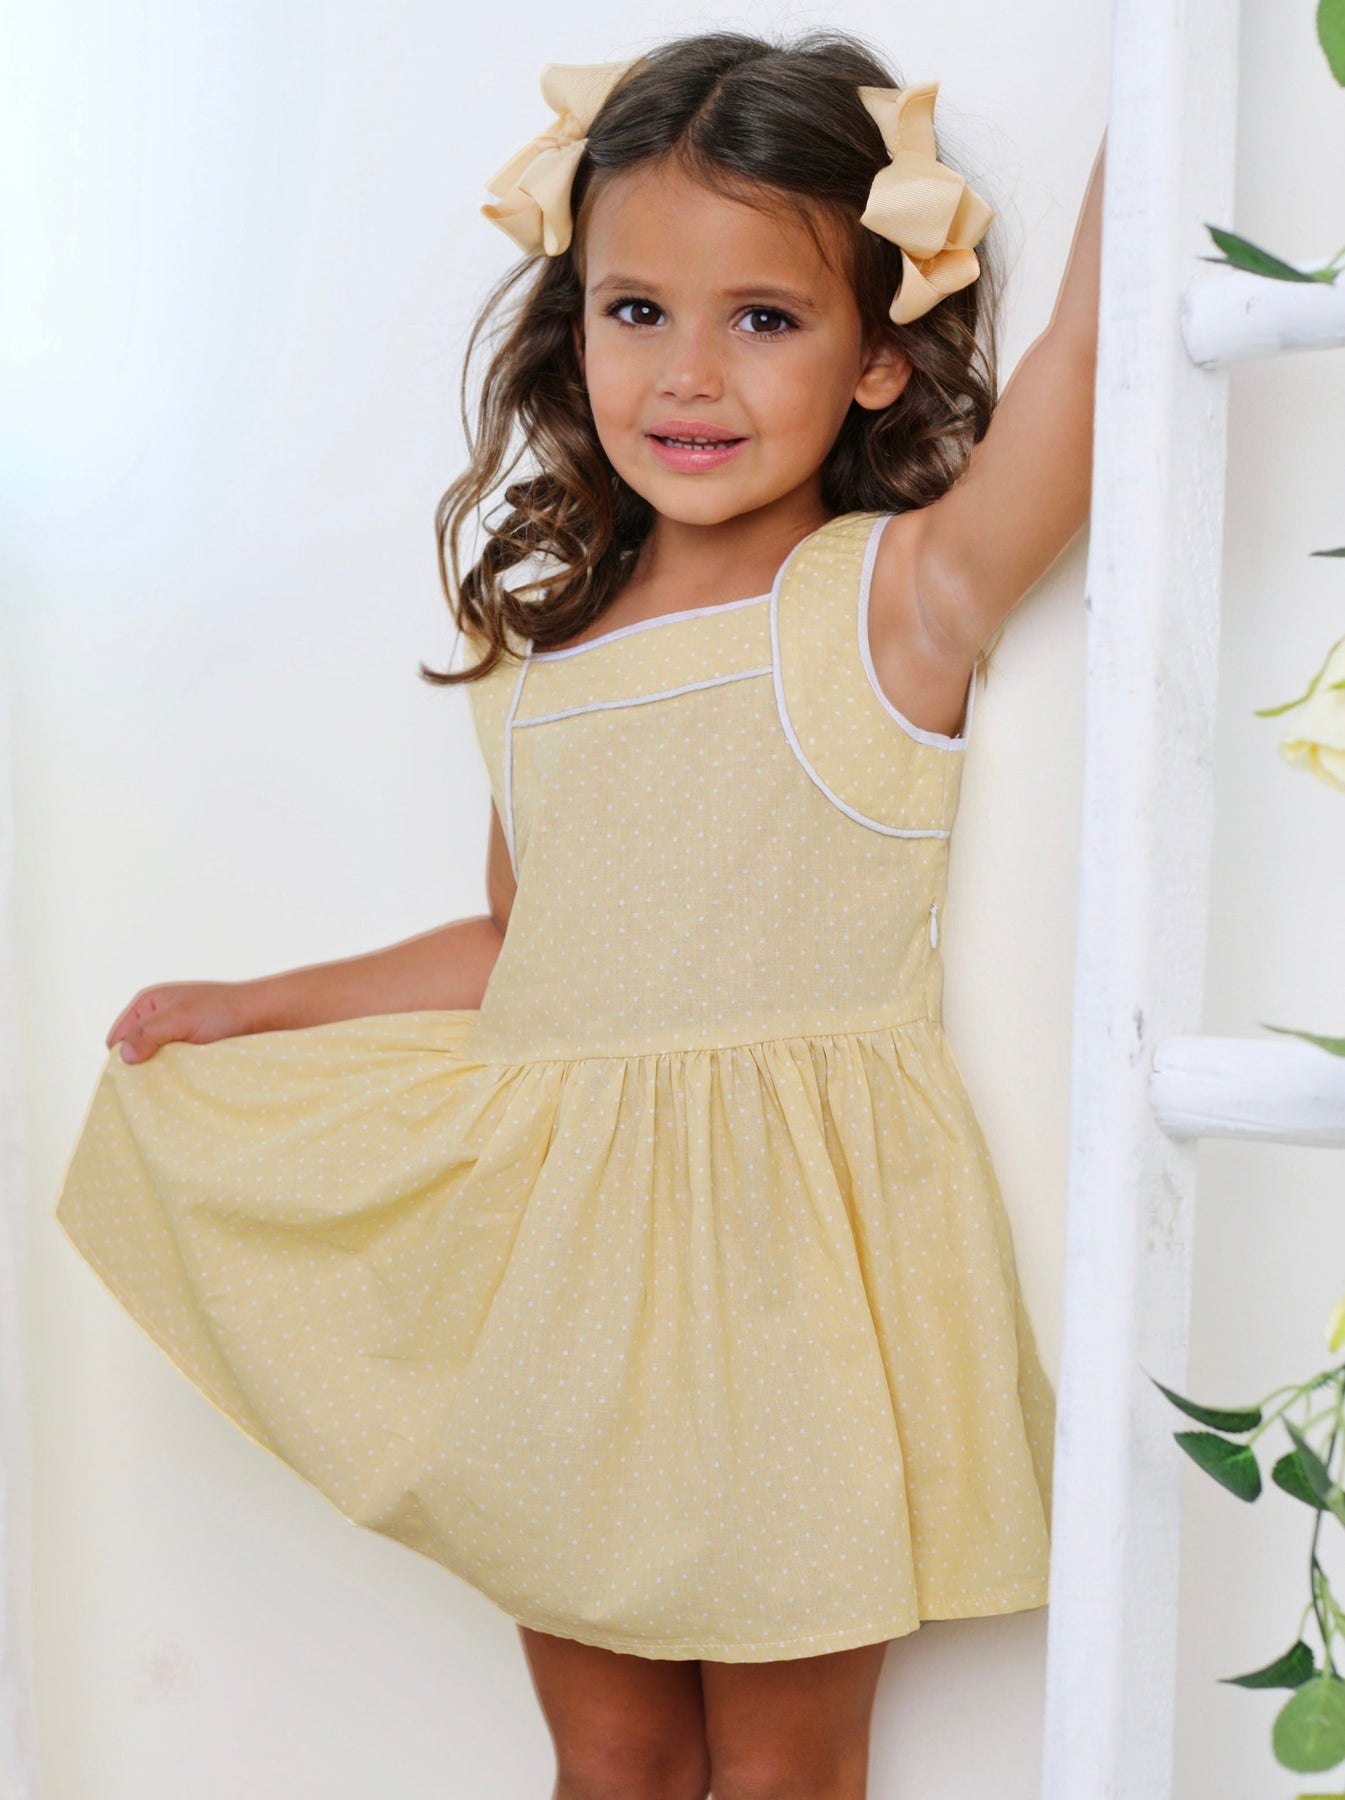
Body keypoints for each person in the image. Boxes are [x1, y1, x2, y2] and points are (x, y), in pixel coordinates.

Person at [54, 27, 1103, 1800]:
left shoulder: (889, 604)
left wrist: (1175, 90)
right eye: (637, 310)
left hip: (788, 1283)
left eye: (762, 317)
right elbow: (524, 948)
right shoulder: (541, 666)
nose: (688, 374)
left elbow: (1081, 372)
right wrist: (258, 1001)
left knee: (783, 1765)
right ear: (575, 324)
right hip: (569, 1283)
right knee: (607, 1754)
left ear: (874, 356)